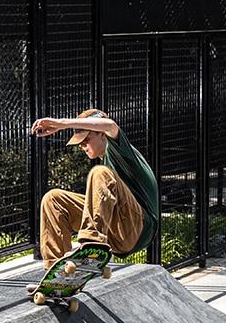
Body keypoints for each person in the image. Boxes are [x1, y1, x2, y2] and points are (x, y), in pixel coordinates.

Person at [29, 110, 159, 271]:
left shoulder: (119, 151)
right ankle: (57, 271)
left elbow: (111, 125)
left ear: (102, 135)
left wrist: (62, 123)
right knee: (53, 199)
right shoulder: (105, 159)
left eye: (86, 139)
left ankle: (91, 245)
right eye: (80, 142)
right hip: (115, 233)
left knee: (100, 173)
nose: (82, 145)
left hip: (138, 228)